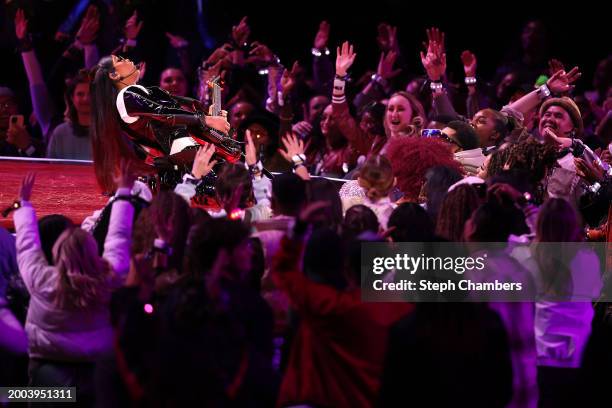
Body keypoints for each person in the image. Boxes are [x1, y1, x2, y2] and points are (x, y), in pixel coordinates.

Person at [12, 162, 136, 404]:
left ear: (59, 254)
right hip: (95, 376)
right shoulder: (107, 279)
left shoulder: (43, 281)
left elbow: (27, 246)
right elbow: (118, 238)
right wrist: (123, 193)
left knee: (11, 395)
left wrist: (24, 205)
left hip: (48, 375)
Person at [89, 55, 233, 192]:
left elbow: (175, 110)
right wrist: (207, 119)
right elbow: (164, 113)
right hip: (184, 157)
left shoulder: (136, 94)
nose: (127, 59)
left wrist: (209, 115)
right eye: (120, 60)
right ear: (114, 75)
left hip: (183, 159)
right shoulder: (126, 95)